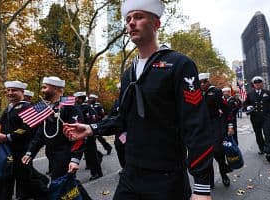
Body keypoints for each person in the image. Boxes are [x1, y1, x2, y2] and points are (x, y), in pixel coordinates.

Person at [64, 1, 213, 199]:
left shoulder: (179, 63)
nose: (131, 23)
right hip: (131, 173)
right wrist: (92, 129)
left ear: (156, 24)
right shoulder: (128, 73)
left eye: (139, 17)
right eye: (128, 19)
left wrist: (202, 186)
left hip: (167, 177)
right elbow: (123, 118)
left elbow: (196, 123)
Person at [21, 76, 91, 199]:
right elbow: (41, 134)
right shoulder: (44, 107)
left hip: (65, 153)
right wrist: (30, 152)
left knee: (61, 184)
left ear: (56, 89)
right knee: (67, 183)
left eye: (45, 87)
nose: (42, 90)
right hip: (52, 153)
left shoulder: (69, 105)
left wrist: (75, 159)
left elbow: (78, 135)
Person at [0, 81, 48, 200]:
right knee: (4, 179)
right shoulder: (9, 107)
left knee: (26, 179)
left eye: (14, 90)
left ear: (22, 92)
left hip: (21, 150)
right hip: (8, 150)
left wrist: (8, 137)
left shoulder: (26, 107)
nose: (10, 93)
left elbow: (27, 128)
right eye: (8, 90)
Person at [199, 73, 232, 188]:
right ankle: (210, 181)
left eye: (205, 81)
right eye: (200, 82)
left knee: (218, 152)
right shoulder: (195, 93)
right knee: (206, 156)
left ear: (209, 81)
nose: (203, 84)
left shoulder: (216, 92)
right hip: (201, 128)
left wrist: (230, 125)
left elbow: (227, 109)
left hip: (215, 126)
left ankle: (224, 174)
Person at [243, 76, 270, 162]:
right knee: (258, 134)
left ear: (262, 83)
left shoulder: (267, 92)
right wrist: (247, 107)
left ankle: (268, 152)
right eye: (256, 83)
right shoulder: (250, 94)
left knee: (267, 133)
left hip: (266, 117)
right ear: (253, 85)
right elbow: (245, 105)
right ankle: (261, 148)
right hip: (255, 118)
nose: (257, 84)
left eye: (259, 83)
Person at [74, 91, 103, 181]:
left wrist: (92, 132)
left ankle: (96, 173)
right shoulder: (76, 107)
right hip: (80, 134)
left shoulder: (86, 107)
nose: (75, 99)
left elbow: (93, 119)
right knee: (83, 153)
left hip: (88, 133)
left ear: (80, 99)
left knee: (91, 154)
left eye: (76, 98)